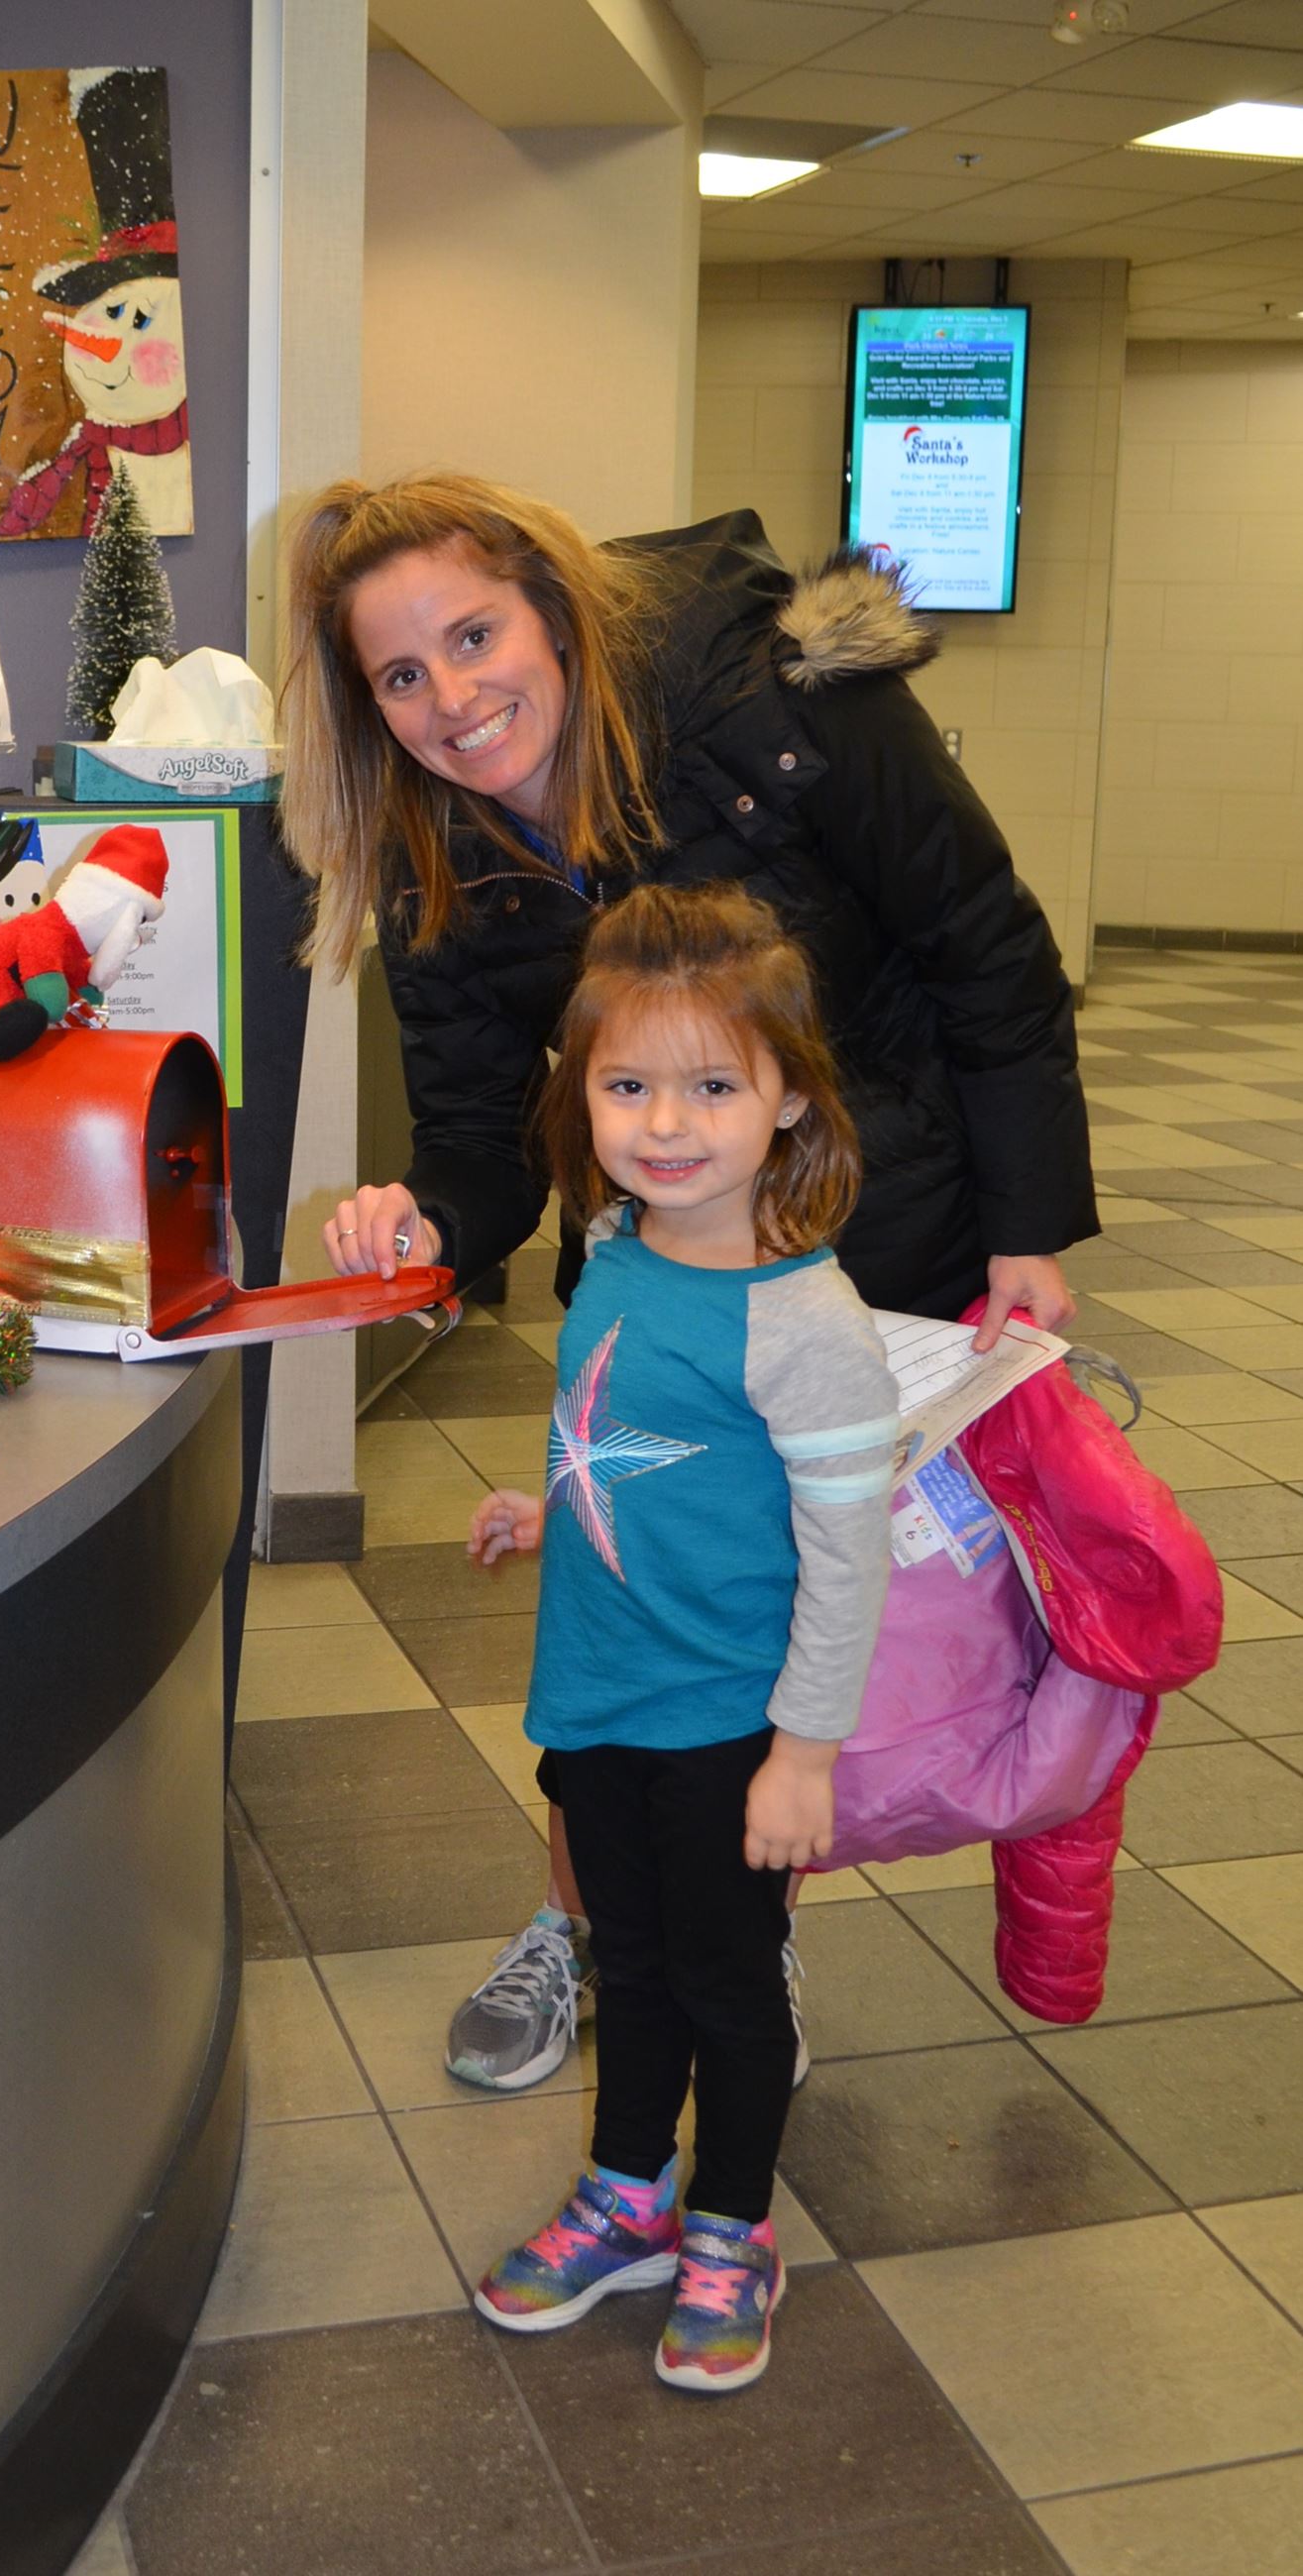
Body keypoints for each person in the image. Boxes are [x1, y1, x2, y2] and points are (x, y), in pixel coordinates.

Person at [280, 474, 1095, 2092]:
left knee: (835, 1619)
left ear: (554, 607)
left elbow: (984, 943)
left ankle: (741, 1931)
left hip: (885, 1236)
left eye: (474, 634)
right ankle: (612, 1923)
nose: (454, 700)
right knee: (636, 1616)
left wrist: (1027, 1233)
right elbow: (480, 1128)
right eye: (401, 677)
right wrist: (432, 1224)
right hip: (657, 1291)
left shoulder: (778, 707)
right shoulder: (437, 848)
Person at [466, 881, 897, 2393]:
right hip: (594, 1694)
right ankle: (629, 2191)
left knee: (727, 1983)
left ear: (786, 1100)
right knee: (628, 1965)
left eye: (714, 1085)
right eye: (629, 1083)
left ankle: (732, 2224)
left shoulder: (812, 1326)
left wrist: (805, 1755)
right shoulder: (613, 1248)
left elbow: (850, 1558)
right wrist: (553, 1504)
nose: (666, 1122)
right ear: (580, 1092)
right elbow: (627, 1438)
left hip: (728, 1721)